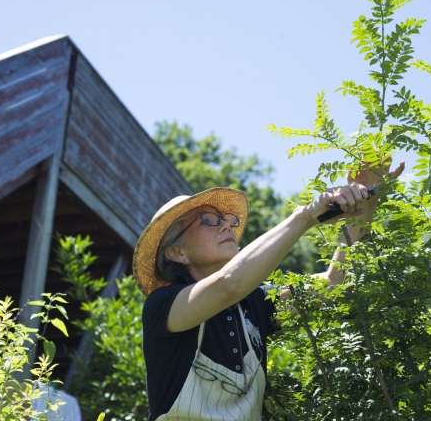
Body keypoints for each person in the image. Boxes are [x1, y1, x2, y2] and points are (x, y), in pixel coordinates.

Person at [133, 161, 405, 421]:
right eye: (208, 220)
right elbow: (230, 284)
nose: (227, 224)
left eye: (226, 219)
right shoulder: (163, 304)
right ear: (177, 252)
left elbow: (334, 285)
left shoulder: (257, 302)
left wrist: (364, 208)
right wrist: (305, 215)